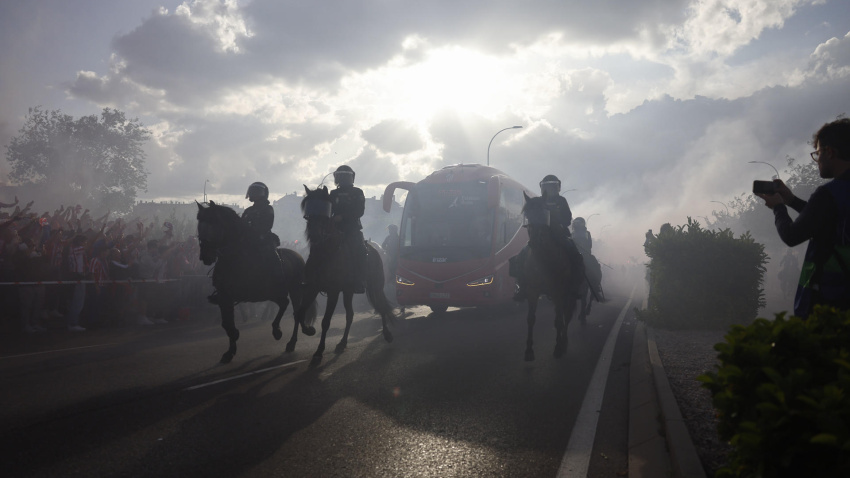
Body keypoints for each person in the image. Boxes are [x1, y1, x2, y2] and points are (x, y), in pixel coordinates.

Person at [755, 118, 850, 318]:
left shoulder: (828, 194)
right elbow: (828, 221)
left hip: (828, 301)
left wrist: (778, 207)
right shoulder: (837, 197)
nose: (817, 161)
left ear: (830, 152)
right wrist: (792, 200)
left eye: (817, 154)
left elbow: (792, 236)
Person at [512, 174, 584, 301]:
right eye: (547, 187)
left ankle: (575, 286)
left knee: (576, 255)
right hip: (540, 233)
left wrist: (557, 221)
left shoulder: (561, 201)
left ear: (557, 188)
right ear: (542, 188)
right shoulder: (537, 201)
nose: (549, 189)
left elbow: (568, 218)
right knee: (519, 257)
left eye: (552, 186)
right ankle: (522, 287)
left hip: (558, 233)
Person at [329, 165, 367, 293]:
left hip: (352, 229)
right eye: (341, 176)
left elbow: (359, 211)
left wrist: (342, 217)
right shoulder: (333, 193)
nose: (343, 178)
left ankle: (359, 279)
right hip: (335, 229)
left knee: (361, 251)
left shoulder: (358, 192)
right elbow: (329, 210)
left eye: (345, 176)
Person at [242, 181, 282, 278]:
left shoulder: (268, 209)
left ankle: (279, 280)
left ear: (262, 194)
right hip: (247, 239)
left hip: (263, 239)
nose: (252, 194)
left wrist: (252, 230)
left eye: (255, 192)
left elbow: (267, 226)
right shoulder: (248, 210)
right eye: (252, 192)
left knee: (274, 258)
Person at [572, 217, 603, 299]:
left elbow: (589, 245)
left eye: (578, 224)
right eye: (575, 224)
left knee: (595, 267)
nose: (576, 225)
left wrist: (582, 246)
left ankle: (596, 286)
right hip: (574, 255)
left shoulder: (587, 233)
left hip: (585, 255)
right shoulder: (572, 234)